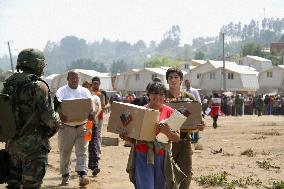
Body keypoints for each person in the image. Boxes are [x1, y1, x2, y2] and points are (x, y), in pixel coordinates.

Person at [2, 48, 60, 189]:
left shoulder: (9, 84)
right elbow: (49, 119)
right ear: (38, 64)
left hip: (12, 144)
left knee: (13, 185)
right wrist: (58, 120)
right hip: (34, 146)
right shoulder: (39, 86)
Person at [121, 82, 185, 189]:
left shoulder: (170, 112)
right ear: (148, 95)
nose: (158, 97)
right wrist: (125, 137)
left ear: (165, 96)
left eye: (161, 94)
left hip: (162, 157)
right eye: (154, 93)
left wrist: (167, 132)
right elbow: (133, 139)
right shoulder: (139, 112)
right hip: (142, 155)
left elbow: (177, 138)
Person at [165, 67, 205, 189]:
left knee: (187, 174)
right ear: (167, 80)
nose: (173, 80)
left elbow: (198, 116)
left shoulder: (189, 97)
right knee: (167, 176)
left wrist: (201, 124)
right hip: (166, 141)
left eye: (176, 77)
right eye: (170, 77)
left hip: (184, 141)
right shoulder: (162, 97)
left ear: (181, 80)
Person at [55, 71, 92, 187]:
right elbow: (55, 104)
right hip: (66, 128)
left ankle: (83, 175)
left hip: (83, 126)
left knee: (83, 151)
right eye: (72, 78)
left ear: (79, 78)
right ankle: (65, 176)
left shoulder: (85, 91)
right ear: (67, 79)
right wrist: (60, 113)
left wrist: (90, 123)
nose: (74, 80)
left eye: (76, 78)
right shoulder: (62, 91)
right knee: (65, 152)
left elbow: (90, 108)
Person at [82, 81, 102, 176]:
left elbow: (99, 108)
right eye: (85, 87)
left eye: (88, 87)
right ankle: (83, 167)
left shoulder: (95, 98)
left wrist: (94, 117)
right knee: (83, 146)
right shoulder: (81, 98)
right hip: (82, 124)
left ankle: (94, 166)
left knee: (92, 144)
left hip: (91, 124)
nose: (87, 89)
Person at [91, 76, 110, 175]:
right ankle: (90, 152)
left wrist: (104, 107)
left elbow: (108, 104)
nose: (95, 85)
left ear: (99, 84)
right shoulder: (88, 92)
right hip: (90, 117)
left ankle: (97, 152)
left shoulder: (102, 93)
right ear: (92, 83)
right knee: (89, 134)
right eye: (94, 83)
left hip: (100, 117)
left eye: (97, 83)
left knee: (98, 134)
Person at [184, 79, 202, 143]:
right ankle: (190, 137)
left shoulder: (194, 91)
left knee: (196, 123)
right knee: (189, 124)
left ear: (190, 83)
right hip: (187, 110)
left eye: (188, 83)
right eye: (186, 83)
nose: (187, 84)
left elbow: (198, 100)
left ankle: (196, 138)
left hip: (194, 109)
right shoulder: (184, 91)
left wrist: (198, 108)